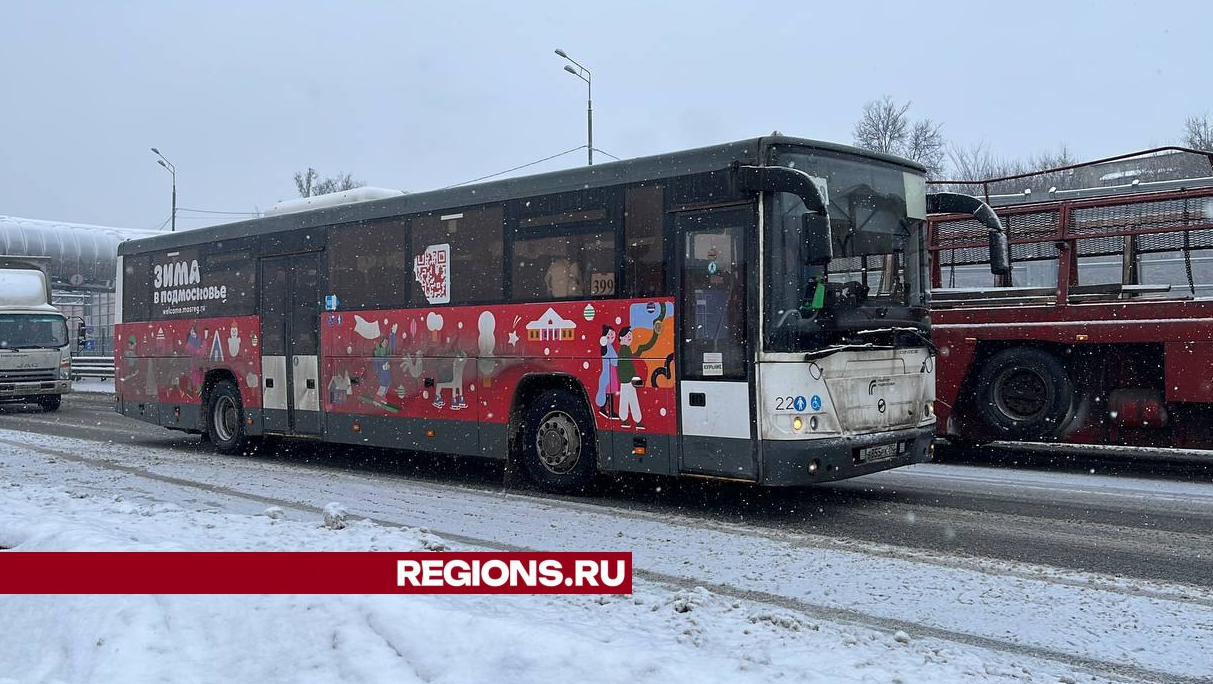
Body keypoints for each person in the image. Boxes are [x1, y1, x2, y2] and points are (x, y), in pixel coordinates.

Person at [616, 320, 662, 429]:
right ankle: (631, 420)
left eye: (630, 335)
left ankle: (630, 420)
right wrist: (633, 377)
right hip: (627, 380)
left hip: (627, 379)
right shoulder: (624, 350)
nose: (629, 337)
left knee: (629, 399)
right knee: (629, 399)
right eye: (627, 335)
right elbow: (626, 366)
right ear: (621, 338)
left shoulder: (625, 349)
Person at [594, 326, 619, 419]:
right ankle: (608, 410)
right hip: (609, 372)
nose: (611, 336)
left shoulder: (608, 346)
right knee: (609, 391)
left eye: (612, 334)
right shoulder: (607, 346)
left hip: (610, 371)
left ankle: (604, 409)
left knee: (609, 391)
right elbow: (614, 361)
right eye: (609, 334)